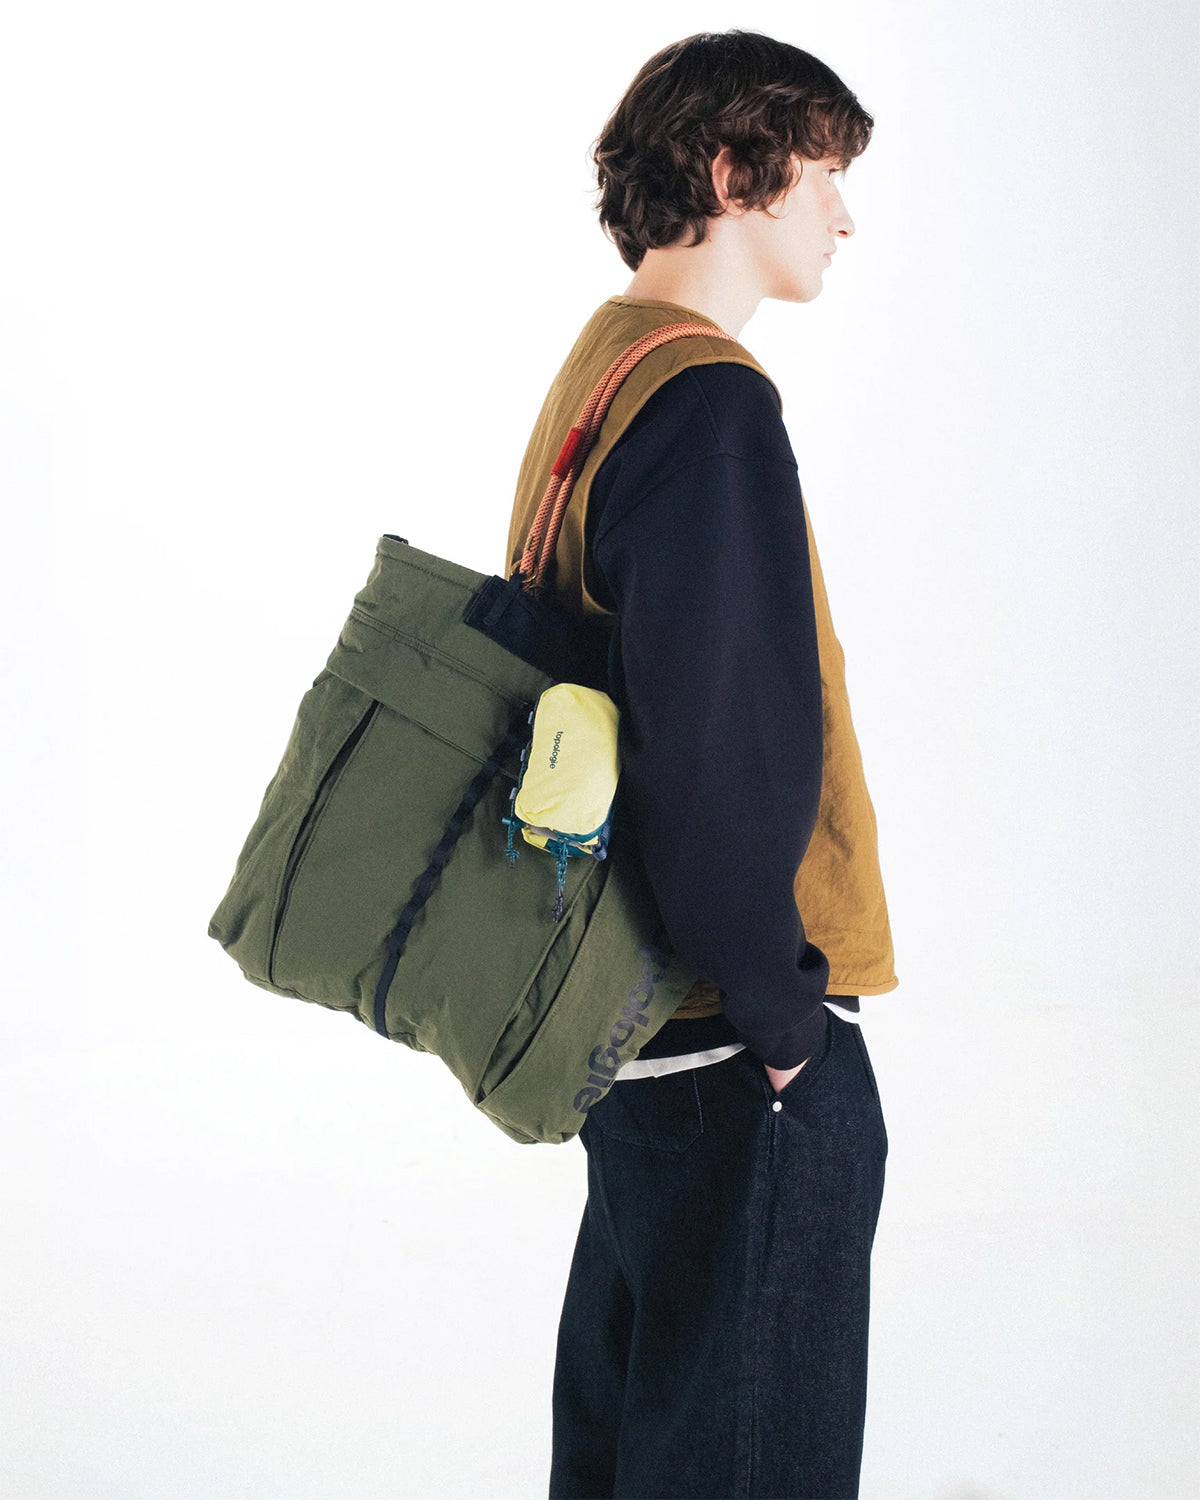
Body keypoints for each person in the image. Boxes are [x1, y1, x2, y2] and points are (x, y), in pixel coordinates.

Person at [504, 30, 898, 1500]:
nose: (844, 216)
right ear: (735, 176)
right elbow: (713, 744)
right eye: (822, 175)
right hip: (735, 1035)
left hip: (631, 1020)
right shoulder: (711, 403)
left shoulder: (605, 369)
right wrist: (788, 1021)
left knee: (637, 1443)